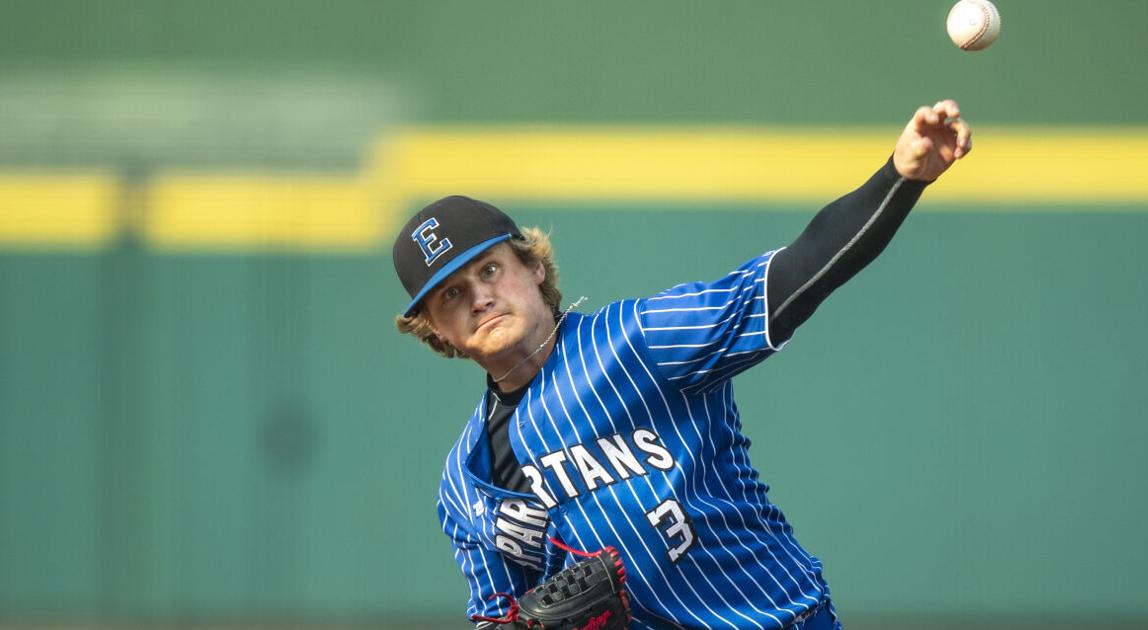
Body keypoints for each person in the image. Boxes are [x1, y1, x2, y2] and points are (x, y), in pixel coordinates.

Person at [392, 100, 972, 630]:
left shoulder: (639, 341)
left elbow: (796, 275)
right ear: (436, 332)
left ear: (533, 266)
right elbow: (494, 617)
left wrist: (899, 178)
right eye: (451, 295)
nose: (479, 298)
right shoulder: (469, 482)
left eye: (489, 270)